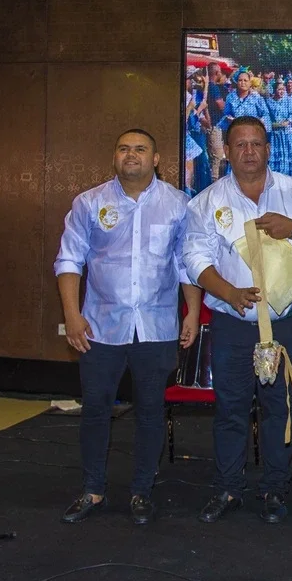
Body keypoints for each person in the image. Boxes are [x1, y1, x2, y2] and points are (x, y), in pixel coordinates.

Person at [183, 116, 292, 524]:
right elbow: (194, 259)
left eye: (256, 144)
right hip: (232, 323)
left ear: (268, 148)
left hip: (283, 324)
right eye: (240, 144)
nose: (249, 151)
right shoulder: (207, 201)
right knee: (231, 408)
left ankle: (275, 487)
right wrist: (228, 292)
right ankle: (229, 488)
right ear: (227, 151)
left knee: (278, 408)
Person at [54, 128, 201, 526]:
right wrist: (71, 315)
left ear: (156, 159)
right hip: (100, 327)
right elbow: (69, 261)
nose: (131, 155)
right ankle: (92, 489)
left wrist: (191, 311)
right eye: (123, 149)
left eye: (140, 149)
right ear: (114, 158)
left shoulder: (178, 204)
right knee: (96, 409)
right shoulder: (88, 203)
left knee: (152, 411)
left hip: (156, 327)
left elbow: (185, 263)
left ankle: (141, 491)